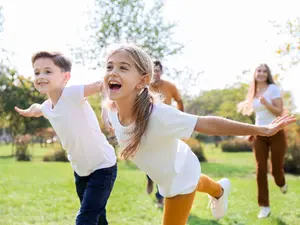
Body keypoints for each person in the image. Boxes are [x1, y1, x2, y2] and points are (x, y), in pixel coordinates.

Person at [102, 44, 296, 225]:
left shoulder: (160, 115)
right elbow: (102, 87)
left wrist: (261, 129)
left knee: (190, 180)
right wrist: (104, 110)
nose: (113, 73)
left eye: (123, 68)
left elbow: (209, 124)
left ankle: (218, 190)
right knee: (196, 179)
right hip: (178, 164)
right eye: (109, 67)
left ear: (142, 81)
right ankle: (219, 190)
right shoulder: (112, 107)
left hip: (178, 179)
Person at [14, 51, 117, 225]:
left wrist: (105, 112)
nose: (41, 76)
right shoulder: (47, 106)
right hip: (81, 171)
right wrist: (30, 111)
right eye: (37, 72)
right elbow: (38, 108)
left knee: (84, 219)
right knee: (98, 219)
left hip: (103, 167)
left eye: (48, 71)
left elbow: (105, 84)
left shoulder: (72, 94)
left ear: (65, 77)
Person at [237, 63, 288, 219]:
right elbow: (257, 115)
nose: (261, 73)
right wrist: (251, 131)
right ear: (255, 73)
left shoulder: (273, 89)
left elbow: (279, 111)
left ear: (268, 74)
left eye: (264, 71)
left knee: (276, 169)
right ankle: (264, 206)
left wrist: (267, 104)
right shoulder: (253, 91)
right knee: (260, 170)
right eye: (259, 70)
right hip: (260, 133)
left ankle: (281, 182)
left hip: (276, 132)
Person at [146, 60, 184, 208]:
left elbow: (179, 101)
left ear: (161, 72)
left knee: (164, 161)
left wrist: (181, 117)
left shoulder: (170, 86)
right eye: (152, 70)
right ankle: (149, 178)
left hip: (165, 128)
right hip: (148, 128)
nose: (155, 73)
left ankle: (160, 196)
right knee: (150, 160)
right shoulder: (144, 86)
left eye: (157, 70)